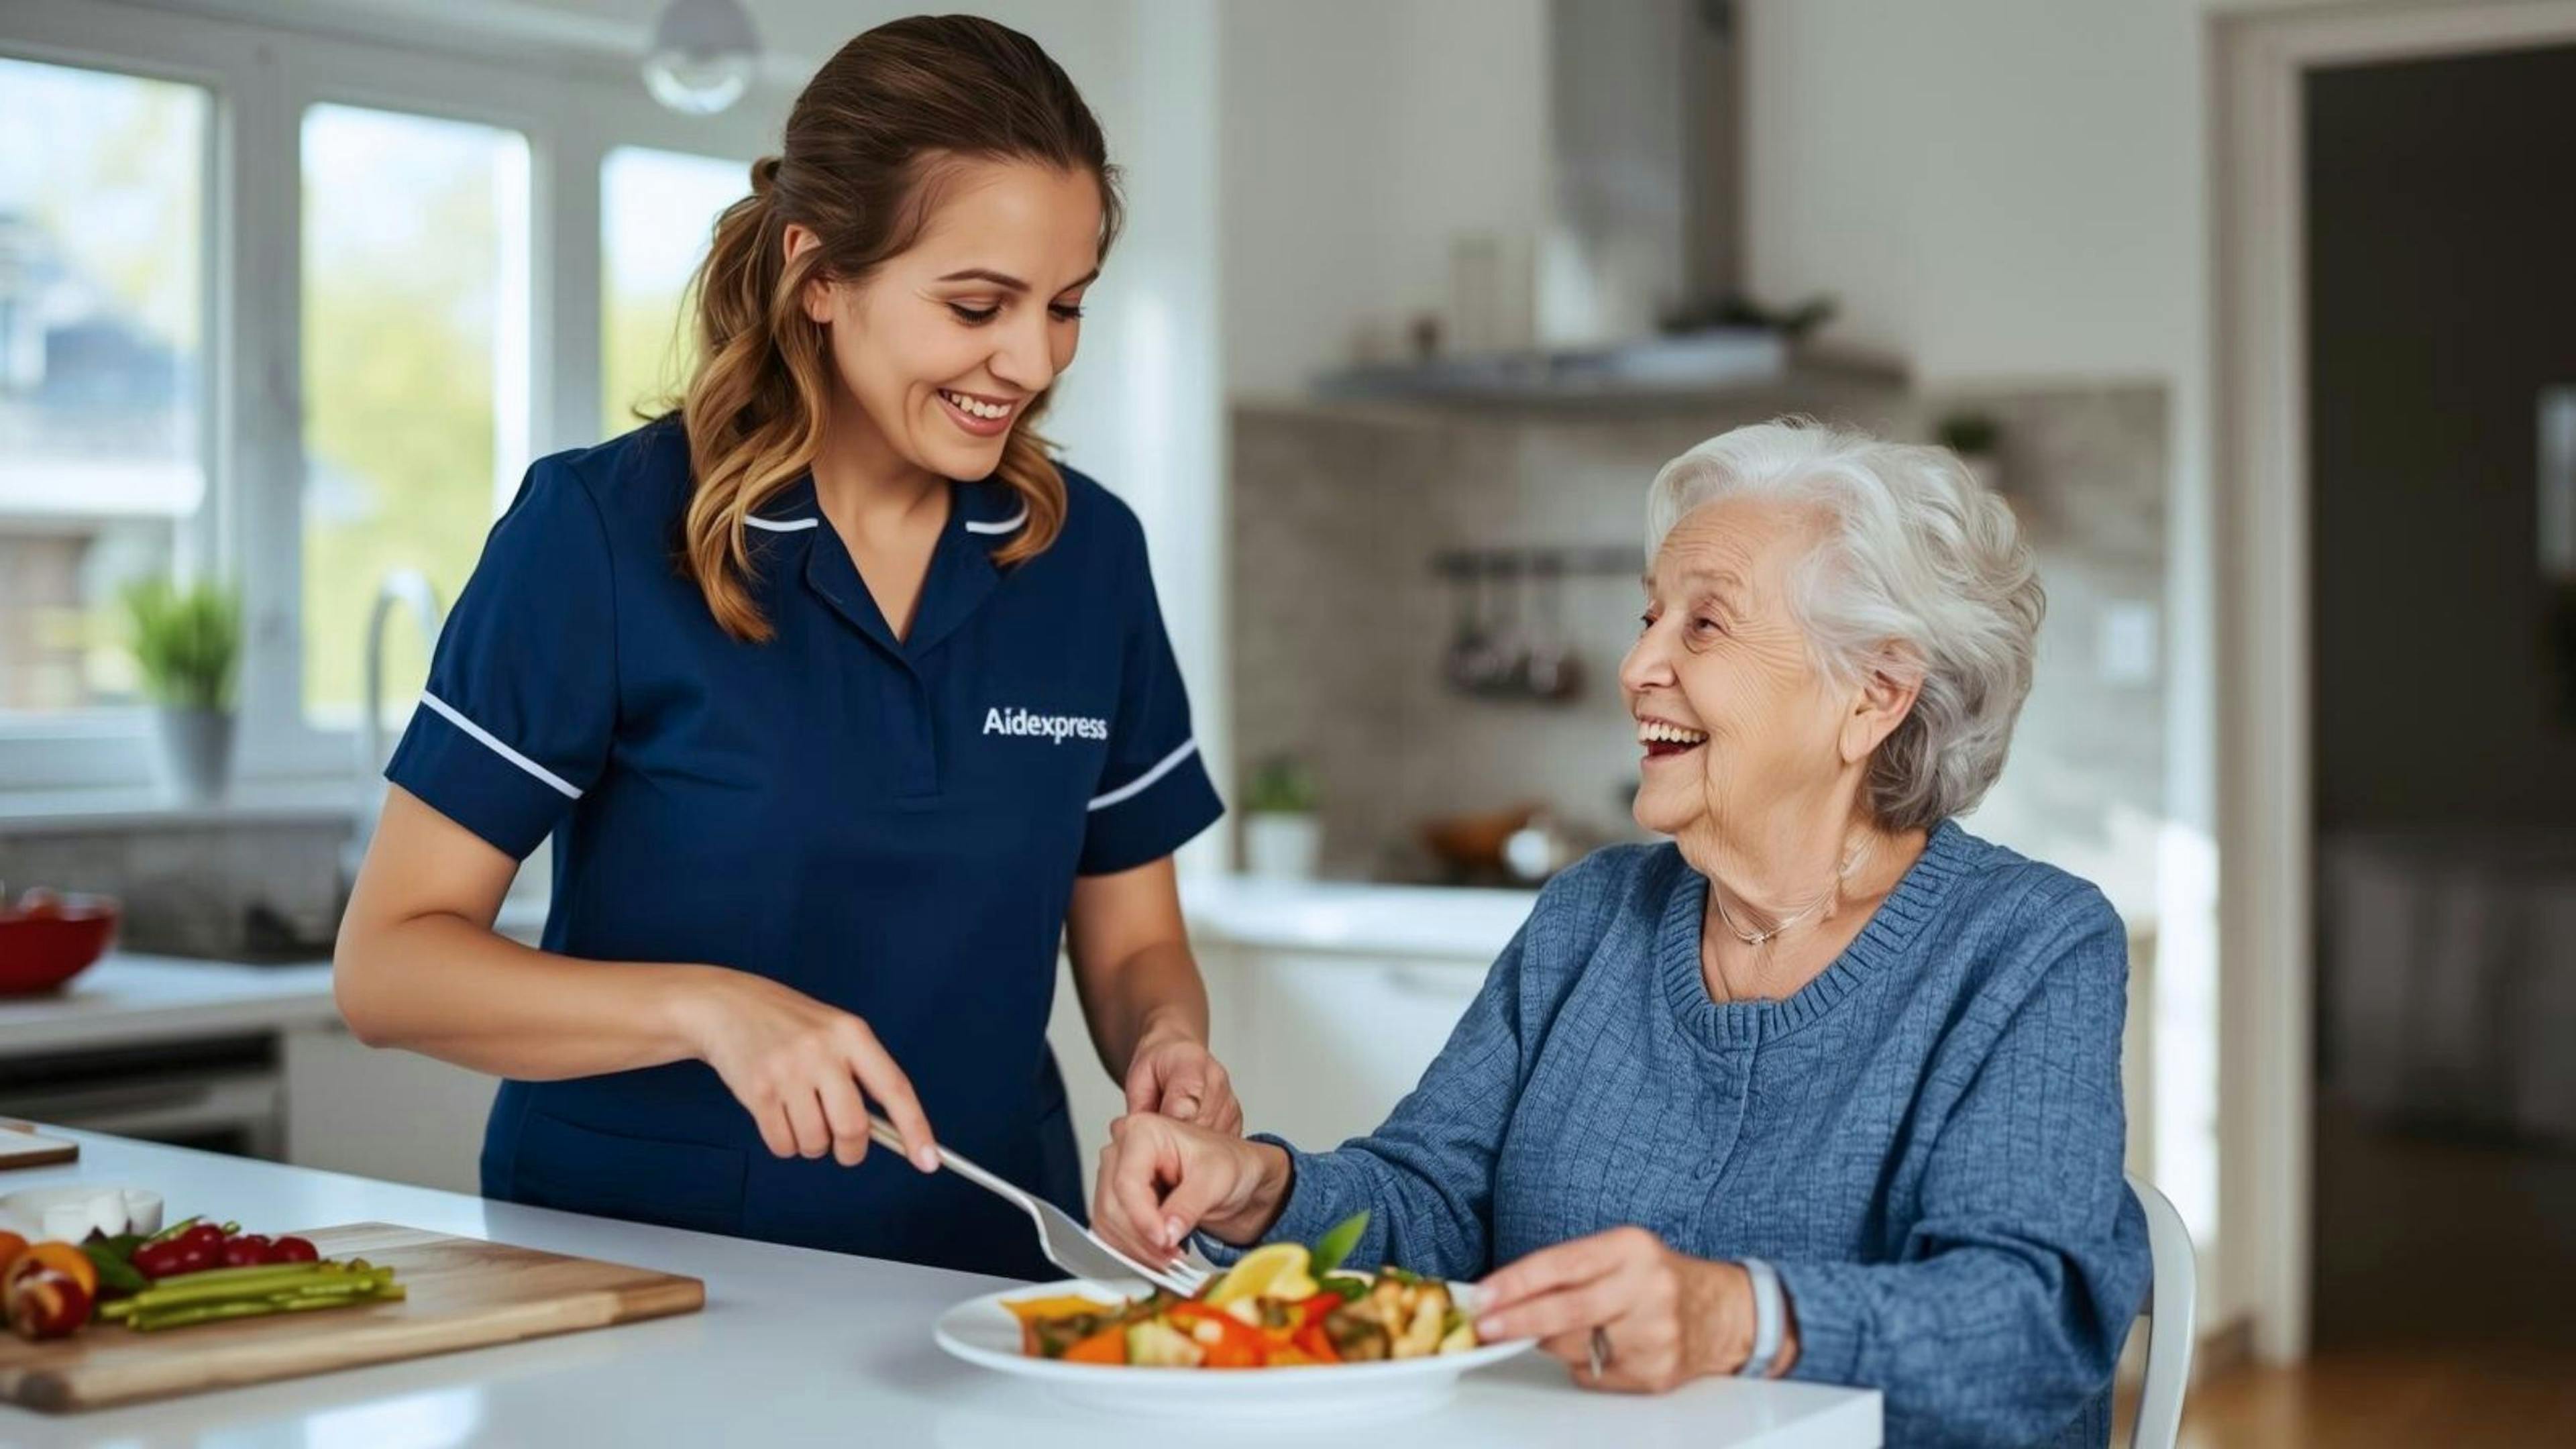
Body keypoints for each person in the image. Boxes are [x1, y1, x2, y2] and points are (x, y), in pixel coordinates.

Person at [335, 15, 1236, 1280]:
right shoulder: (598, 534)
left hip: (990, 1272)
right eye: (977, 304)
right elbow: (388, 966)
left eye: (1066, 307)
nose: (1030, 361)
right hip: (644, 1277)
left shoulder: (1084, 557)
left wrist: (1168, 1043)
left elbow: (1136, 937)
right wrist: (706, 1007)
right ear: (821, 273)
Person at [1093, 421, 2150, 1444]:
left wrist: (1737, 1319)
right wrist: (1260, 1187)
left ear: (1874, 693)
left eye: (1703, 624)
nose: (1637, 665)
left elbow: (2032, 1322)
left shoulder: (2027, 946)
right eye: (1648, 618)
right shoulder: (1592, 917)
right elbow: (1429, 1202)